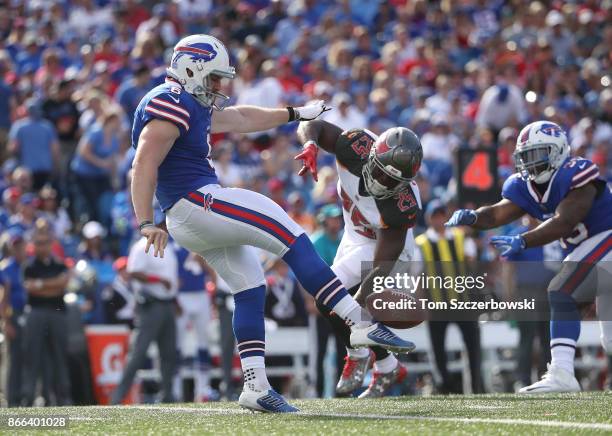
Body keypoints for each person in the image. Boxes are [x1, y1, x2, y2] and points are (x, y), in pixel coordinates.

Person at [130, 34, 415, 413]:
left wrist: (296, 113)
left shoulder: (192, 103)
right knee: (289, 232)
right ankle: (358, 321)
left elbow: (242, 118)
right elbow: (144, 163)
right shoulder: (172, 100)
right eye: (214, 77)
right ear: (191, 68)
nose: (219, 86)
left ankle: (256, 386)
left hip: (188, 212)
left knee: (250, 286)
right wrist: (146, 221)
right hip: (194, 201)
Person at [446, 120, 612, 393]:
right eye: (526, 157)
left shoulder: (576, 172)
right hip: (590, 251)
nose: (531, 163)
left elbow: (565, 221)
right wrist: (474, 217)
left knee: (562, 290)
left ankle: (562, 374)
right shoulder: (525, 186)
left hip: (605, 238)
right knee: (608, 336)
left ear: (557, 151)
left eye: (537, 154)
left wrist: (523, 240)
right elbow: (498, 213)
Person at [295, 118, 423, 398]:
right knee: (334, 303)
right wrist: (310, 144)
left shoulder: (402, 206)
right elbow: (314, 124)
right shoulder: (355, 146)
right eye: (381, 172)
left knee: (330, 295)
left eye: (393, 180)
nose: (383, 182)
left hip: (387, 250)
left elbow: (381, 263)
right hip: (353, 236)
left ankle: (360, 355)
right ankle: (387, 365)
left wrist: (356, 307)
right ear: (372, 155)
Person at [414, 200, 483, 394]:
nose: (438, 220)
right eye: (435, 216)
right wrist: (421, 303)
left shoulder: (461, 237)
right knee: (438, 350)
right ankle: (444, 387)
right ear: (429, 218)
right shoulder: (422, 244)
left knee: (473, 347)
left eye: (441, 215)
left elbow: (472, 267)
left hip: (462, 302)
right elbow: (418, 276)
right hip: (436, 304)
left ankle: (475, 387)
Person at [110, 236, 179, 404]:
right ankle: (118, 397)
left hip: (168, 304)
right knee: (139, 353)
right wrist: (159, 280)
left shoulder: (168, 247)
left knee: (169, 353)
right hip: (150, 305)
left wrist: (175, 300)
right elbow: (133, 272)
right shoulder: (142, 246)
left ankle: (167, 395)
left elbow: (171, 277)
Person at [21, 228, 72, 406]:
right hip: (36, 312)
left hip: (57, 312)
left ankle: (63, 398)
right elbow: (31, 288)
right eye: (38, 243)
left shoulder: (59, 264)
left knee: (60, 356)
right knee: (32, 356)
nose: (42, 247)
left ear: (51, 244)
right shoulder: (29, 266)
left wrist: (41, 284)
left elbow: (63, 284)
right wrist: (53, 285)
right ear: (33, 245)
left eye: (45, 242)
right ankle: (28, 398)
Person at [173, 242, 217, 402]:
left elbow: (212, 267)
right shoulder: (169, 240)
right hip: (180, 295)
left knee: (204, 343)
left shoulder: (198, 235)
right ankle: (175, 390)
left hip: (200, 293)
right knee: (177, 345)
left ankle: (203, 389)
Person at [0, 229, 28, 407]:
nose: (20, 251)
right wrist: (6, 322)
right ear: (11, 248)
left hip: (25, 315)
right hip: (12, 316)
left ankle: (22, 398)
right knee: (12, 359)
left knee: (24, 357)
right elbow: (3, 298)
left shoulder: (24, 266)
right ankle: (10, 400)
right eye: (17, 248)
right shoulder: (6, 268)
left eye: (22, 247)